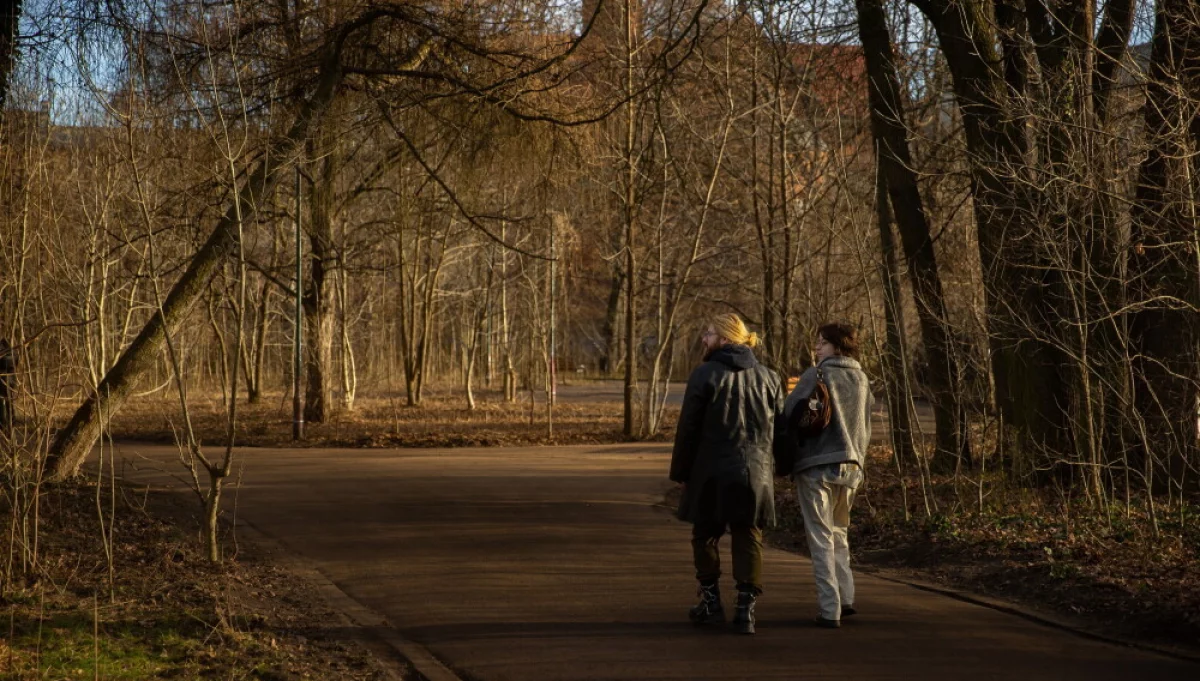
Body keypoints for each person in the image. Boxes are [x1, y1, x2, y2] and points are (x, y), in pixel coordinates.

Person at [669, 313, 784, 635]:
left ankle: (711, 602)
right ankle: (746, 610)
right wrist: (784, 466)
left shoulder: (704, 374)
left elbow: (688, 428)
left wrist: (681, 471)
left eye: (707, 334)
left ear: (723, 338)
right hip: (755, 471)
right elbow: (782, 429)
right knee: (749, 535)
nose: (703, 340)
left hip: (710, 471)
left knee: (704, 535)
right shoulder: (769, 377)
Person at [784, 322, 874, 629]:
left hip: (816, 465)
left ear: (837, 345)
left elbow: (788, 414)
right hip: (851, 467)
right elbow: (866, 425)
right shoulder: (862, 378)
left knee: (820, 536)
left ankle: (829, 608)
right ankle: (846, 597)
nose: (817, 348)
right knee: (839, 533)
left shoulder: (816, 374)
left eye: (822, 343)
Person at [0, 339, 14, 431]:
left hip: (5, 384)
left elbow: (11, 359)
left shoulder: (4, 344)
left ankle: (7, 428)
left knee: (6, 407)